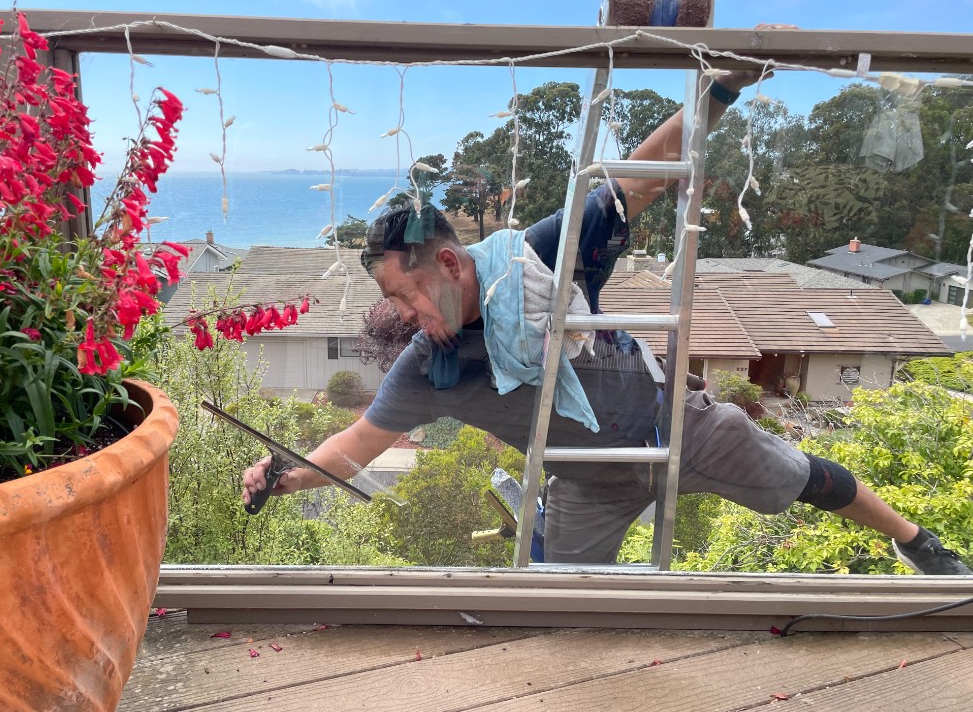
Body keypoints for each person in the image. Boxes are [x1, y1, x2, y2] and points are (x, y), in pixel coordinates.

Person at [243, 71, 971, 575]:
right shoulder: (429, 367)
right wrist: (279, 476)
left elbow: (646, 168)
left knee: (803, 476)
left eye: (407, 296)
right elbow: (355, 445)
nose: (401, 316)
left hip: (674, 423)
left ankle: (918, 543)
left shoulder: (537, 261)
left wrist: (721, 89)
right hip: (587, 478)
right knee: (558, 593)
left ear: (448, 261)